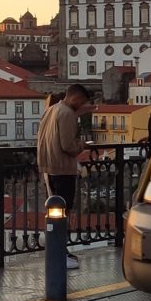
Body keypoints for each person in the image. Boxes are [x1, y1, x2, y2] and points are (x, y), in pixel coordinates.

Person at [36, 83, 91, 269]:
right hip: (62, 169)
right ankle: (60, 253)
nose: (81, 106)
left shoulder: (51, 109)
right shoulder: (67, 113)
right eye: (81, 102)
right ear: (75, 98)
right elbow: (68, 145)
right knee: (62, 214)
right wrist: (82, 145)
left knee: (53, 214)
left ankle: (58, 251)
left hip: (48, 168)